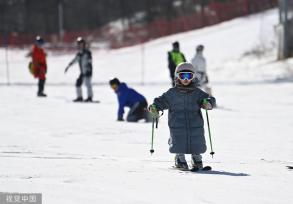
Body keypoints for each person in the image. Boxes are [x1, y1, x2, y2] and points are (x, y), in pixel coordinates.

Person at [148, 62, 216, 171]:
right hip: (177, 124)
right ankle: (180, 159)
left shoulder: (197, 93)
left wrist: (208, 102)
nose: (185, 79)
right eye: (182, 76)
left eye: (189, 76)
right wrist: (155, 106)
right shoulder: (172, 93)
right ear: (177, 77)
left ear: (193, 77)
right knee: (178, 141)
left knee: (197, 141)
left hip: (195, 123)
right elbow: (161, 101)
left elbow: (209, 99)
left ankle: (197, 159)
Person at [65, 37, 94, 102]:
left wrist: (88, 68)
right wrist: (69, 65)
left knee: (87, 83)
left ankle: (90, 97)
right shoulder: (79, 53)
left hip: (87, 71)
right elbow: (75, 60)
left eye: (81, 44)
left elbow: (90, 61)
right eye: (79, 44)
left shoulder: (87, 52)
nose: (80, 45)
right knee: (78, 83)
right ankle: (79, 97)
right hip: (82, 72)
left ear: (84, 44)